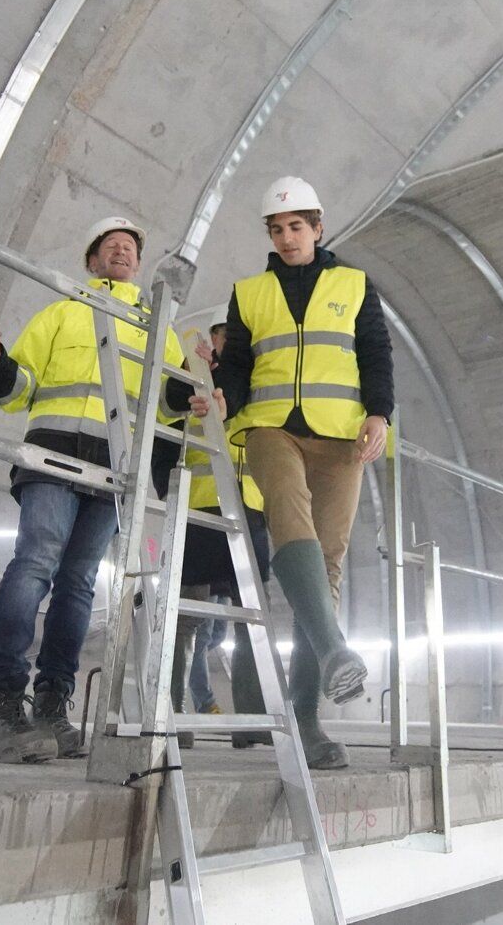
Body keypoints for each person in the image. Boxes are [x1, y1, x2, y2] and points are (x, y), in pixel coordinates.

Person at [0, 216, 188, 763]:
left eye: (130, 247)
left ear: (137, 264)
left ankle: (50, 705)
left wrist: (194, 387)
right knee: (35, 562)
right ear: (92, 262)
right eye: (110, 245)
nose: (121, 251)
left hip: (115, 471)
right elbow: (19, 389)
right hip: (52, 456)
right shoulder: (62, 311)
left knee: (79, 585)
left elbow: (169, 399)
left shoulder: (157, 327)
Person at [195, 176, 393, 770]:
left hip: (341, 434)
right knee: (284, 506)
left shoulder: (356, 285)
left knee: (328, 564)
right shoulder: (249, 292)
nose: (286, 238)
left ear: (317, 228)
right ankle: (334, 648)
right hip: (270, 426)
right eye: (277, 230)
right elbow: (237, 363)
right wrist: (225, 396)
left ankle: (306, 722)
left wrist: (380, 413)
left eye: (296, 228)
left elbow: (375, 352)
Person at [169, 316, 273, 749]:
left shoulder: (257, 393)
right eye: (218, 345)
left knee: (253, 621)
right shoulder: (189, 389)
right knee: (184, 620)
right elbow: (167, 440)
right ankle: (173, 717)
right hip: (198, 514)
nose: (222, 352)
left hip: (247, 512)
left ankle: (251, 722)